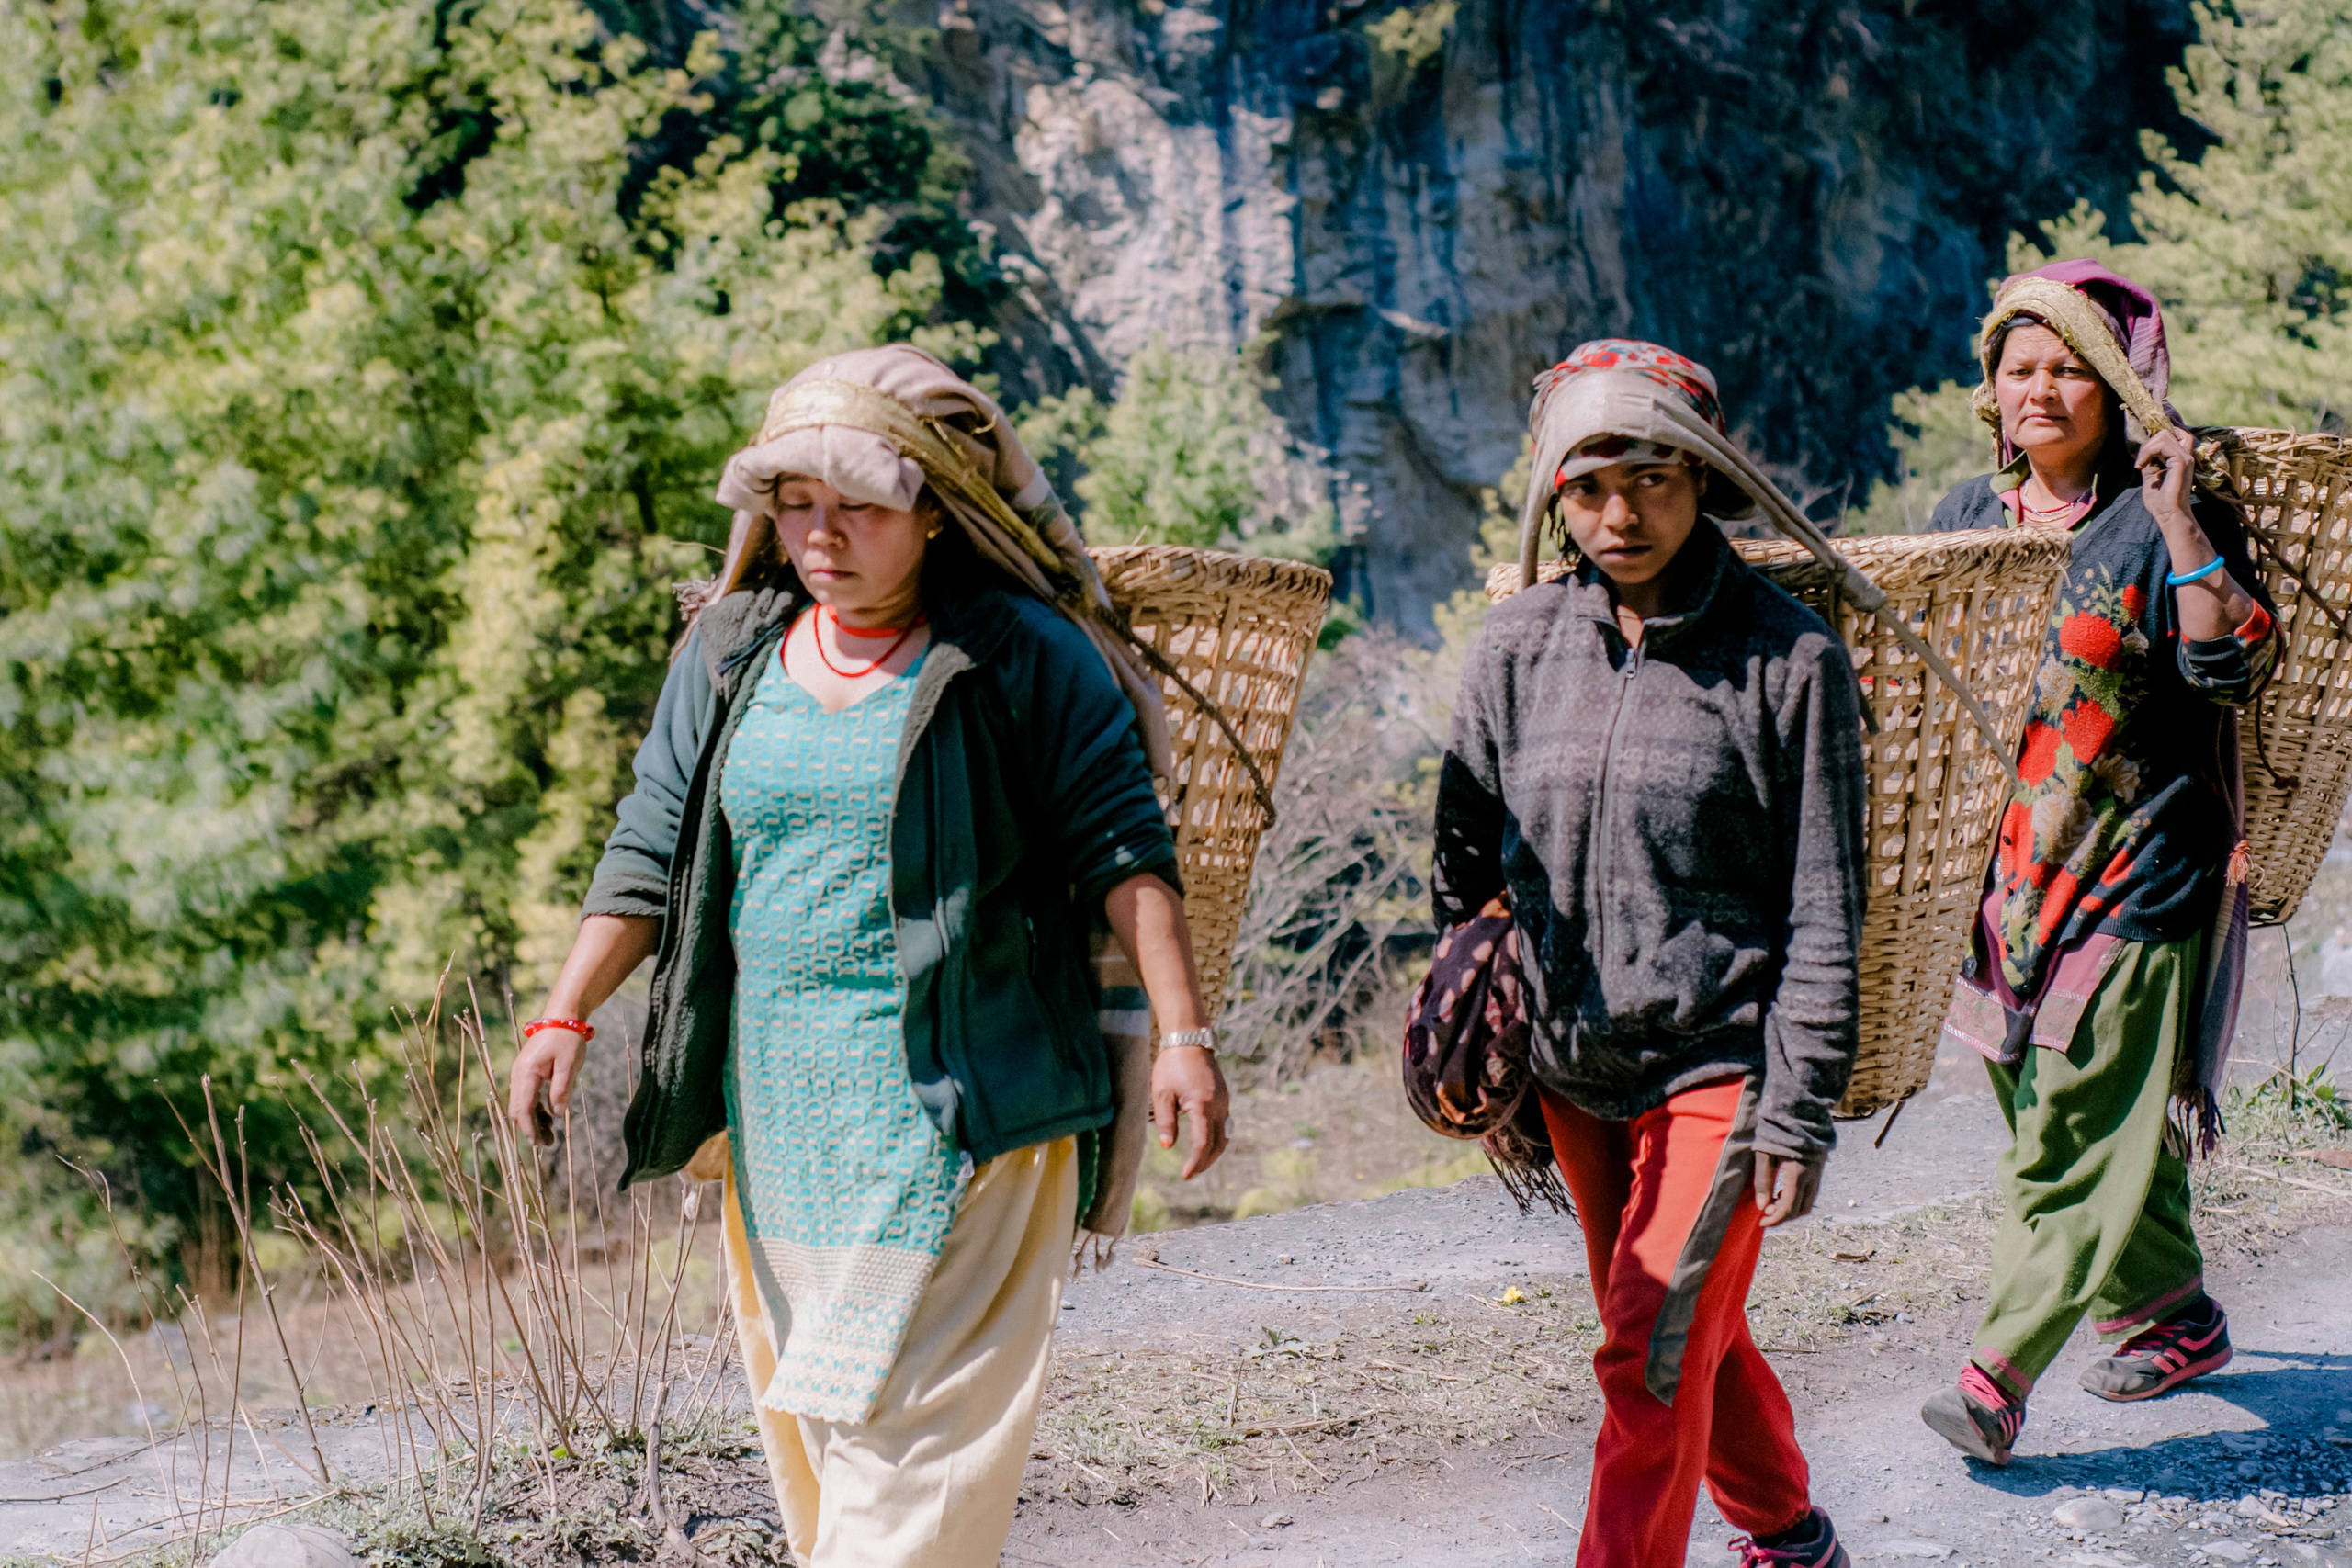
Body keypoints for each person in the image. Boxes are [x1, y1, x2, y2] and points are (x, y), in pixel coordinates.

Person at [504, 345, 1232, 1568]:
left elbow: (1125, 853)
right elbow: (648, 845)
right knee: (831, 1446)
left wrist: (1184, 1037)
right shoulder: (733, 649)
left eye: (859, 507)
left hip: (973, 1117)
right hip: (783, 1125)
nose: (821, 535)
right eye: (796, 505)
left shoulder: (1019, 654)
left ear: (935, 513)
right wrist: (563, 1015)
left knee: (916, 1480)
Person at [1433, 339, 1867, 1568]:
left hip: (1720, 1063)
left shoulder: (1790, 660)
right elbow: (1463, 867)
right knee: (1677, 1335)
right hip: (1573, 1067)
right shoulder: (1516, 647)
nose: (1619, 515)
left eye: (1653, 480)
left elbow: (1827, 907)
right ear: (1553, 495)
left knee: (1645, 1350)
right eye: (1587, 487)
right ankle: (1788, 1529)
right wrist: (1493, 1053)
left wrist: (1798, 1113)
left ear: (1705, 479)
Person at [1921, 261, 2276, 1466]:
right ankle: (2173, 1316)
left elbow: (2234, 666)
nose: (2039, 389)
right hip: (2010, 886)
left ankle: (1998, 1375)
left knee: (2070, 1126)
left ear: (2117, 389)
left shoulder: (2165, 518)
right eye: (2019, 368)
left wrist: (2179, 521)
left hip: (2141, 868)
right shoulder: (1966, 520)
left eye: (2069, 369)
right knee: (2061, 1102)